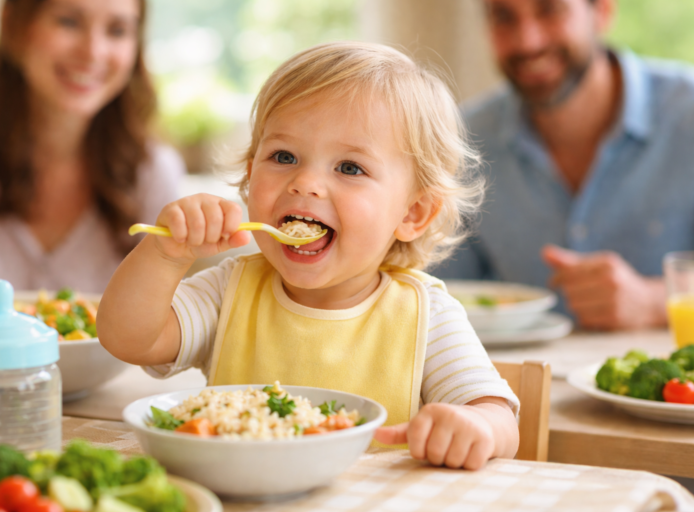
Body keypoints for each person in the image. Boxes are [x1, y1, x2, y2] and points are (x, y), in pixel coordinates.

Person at [98, 42, 520, 469]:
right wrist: (165, 254)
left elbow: (497, 416)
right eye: (284, 157)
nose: (305, 183)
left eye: (350, 167)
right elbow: (129, 339)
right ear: (249, 176)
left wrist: (476, 426)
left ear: (412, 213)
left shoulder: (426, 315)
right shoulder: (229, 290)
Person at [433, 0, 694, 330]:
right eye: (503, 17)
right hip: (511, 380)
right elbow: (432, 299)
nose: (528, 41)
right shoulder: (460, 141)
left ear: (602, 12)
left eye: (550, 10)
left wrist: (654, 302)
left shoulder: (687, 113)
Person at [0, 0, 184, 294]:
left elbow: (155, 326)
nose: (93, 52)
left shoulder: (152, 171)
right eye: (69, 22)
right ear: (14, 26)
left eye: (117, 30)